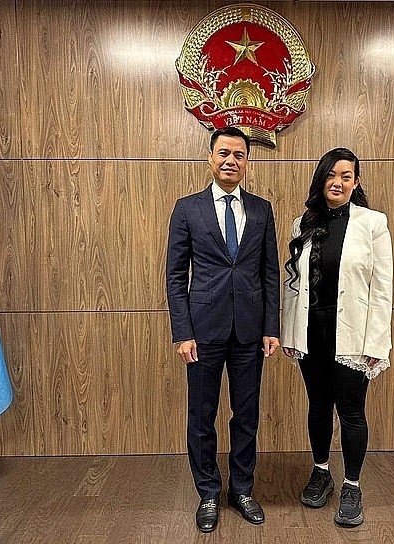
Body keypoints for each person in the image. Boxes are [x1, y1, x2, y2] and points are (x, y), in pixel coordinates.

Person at [166, 126, 280, 533]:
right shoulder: (187, 209)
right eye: (224, 152)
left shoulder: (263, 210)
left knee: (246, 415)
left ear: (247, 162)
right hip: (202, 330)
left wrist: (271, 326)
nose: (231, 160)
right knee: (202, 416)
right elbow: (176, 276)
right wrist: (182, 332)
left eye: (239, 154)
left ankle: (242, 489)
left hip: (250, 331)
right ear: (210, 157)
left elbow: (269, 273)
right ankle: (209, 494)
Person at [281, 147, 393, 527]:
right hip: (311, 332)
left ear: (356, 182)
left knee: (351, 411)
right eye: (332, 174)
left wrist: (377, 344)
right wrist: (289, 334)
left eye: (347, 176)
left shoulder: (373, 223)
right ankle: (321, 471)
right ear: (321, 178)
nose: (338, 182)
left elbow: (382, 290)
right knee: (317, 406)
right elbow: (292, 288)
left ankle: (352, 485)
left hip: (353, 336)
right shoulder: (303, 223)